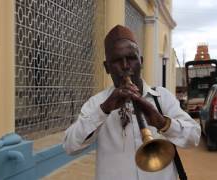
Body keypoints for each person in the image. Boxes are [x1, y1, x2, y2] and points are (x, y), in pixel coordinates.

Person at [63, 25, 200, 180]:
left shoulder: (162, 97)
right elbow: (70, 146)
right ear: (107, 67)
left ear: (140, 61)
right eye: (117, 60)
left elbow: (194, 137)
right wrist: (104, 109)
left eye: (131, 58)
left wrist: (163, 123)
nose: (126, 66)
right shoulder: (97, 103)